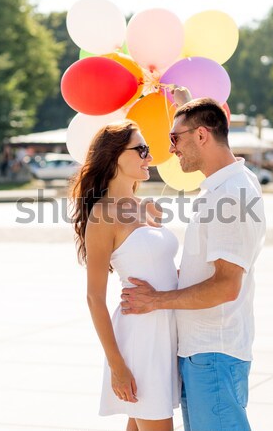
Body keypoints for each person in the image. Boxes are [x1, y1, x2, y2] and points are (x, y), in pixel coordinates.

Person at [121, 97, 266, 431]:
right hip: (203, 353)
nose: (171, 149)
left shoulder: (232, 194)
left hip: (214, 355)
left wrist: (155, 300)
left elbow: (226, 286)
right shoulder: (225, 187)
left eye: (175, 138)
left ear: (201, 136)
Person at [70, 120, 180, 431]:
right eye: (142, 149)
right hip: (139, 341)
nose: (150, 157)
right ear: (115, 156)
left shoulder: (148, 208)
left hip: (165, 335)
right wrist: (117, 365)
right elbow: (94, 297)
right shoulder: (103, 216)